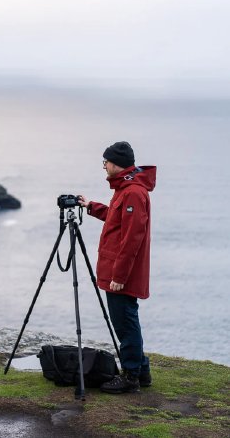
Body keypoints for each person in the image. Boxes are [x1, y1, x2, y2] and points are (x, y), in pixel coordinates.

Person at [78, 141, 156, 393]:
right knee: (126, 319)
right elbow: (116, 216)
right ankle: (141, 371)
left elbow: (132, 238)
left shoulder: (133, 192)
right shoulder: (125, 188)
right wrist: (90, 206)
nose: (104, 167)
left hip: (122, 273)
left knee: (125, 322)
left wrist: (119, 276)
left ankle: (131, 376)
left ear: (116, 164)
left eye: (105, 162)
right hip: (118, 270)